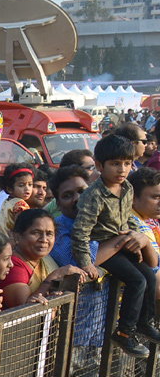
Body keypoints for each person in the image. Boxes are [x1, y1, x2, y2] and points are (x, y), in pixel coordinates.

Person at [71, 135, 160, 355]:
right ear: (100, 166)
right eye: (115, 164)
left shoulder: (127, 187)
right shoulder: (94, 196)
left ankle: (144, 323)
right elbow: (80, 233)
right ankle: (124, 333)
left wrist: (136, 235)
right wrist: (87, 263)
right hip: (104, 247)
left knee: (148, 276)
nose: (122, 169)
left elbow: (126, 217)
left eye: (127, 163)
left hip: (123, 244)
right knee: (137, 280)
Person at [2, 208, 87, 313]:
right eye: (36, 233)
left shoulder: (45, 259)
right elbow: (25, 310)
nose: (44, 240)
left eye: (49, 234)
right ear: (18, 236)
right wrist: (56, 275)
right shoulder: (13, 266)